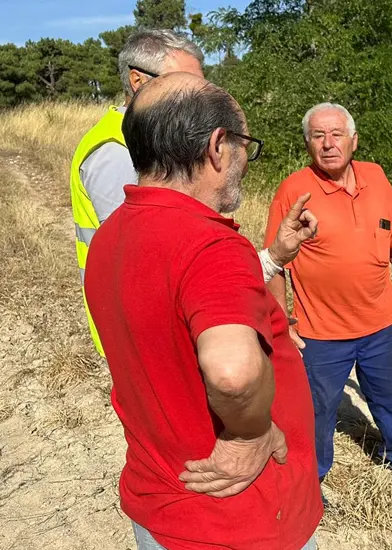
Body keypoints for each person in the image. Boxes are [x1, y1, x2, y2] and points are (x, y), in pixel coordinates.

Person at [85, 73, 322, 549]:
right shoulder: (210, 243)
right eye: (244, 146)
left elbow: (178, 301)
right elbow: (233, 372)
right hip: (239, 520)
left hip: (161, 502)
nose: (244, 163)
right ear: (217, 147)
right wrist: (249, 433)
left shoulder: (111, 236)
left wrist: (273, 256)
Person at [69, 29, 297, 356]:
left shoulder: (156, 145)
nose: (201, 96)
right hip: (152, 341)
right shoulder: (116, 151)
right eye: (185, 82)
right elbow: (149, 266)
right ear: (138, 81)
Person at [263, 103, 392, 495]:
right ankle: (311, 480)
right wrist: (282, 321)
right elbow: (276, 260)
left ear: (353, 140)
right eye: (318, 136)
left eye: (336, 134)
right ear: (308, 144)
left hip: (380, 325)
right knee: (317, 411)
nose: (328, 144)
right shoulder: (295, 191)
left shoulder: (376, 177)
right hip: (320, 333)